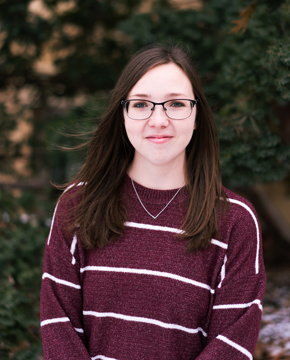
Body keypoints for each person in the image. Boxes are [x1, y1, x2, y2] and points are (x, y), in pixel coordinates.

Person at [40, 44, 266, 360]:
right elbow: (58, 325)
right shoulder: (77, 205)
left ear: (197, 114)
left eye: (175, 104)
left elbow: (232, 344)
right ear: (123, 114)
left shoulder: (235, 221)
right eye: (142, 104)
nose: (158, 120)